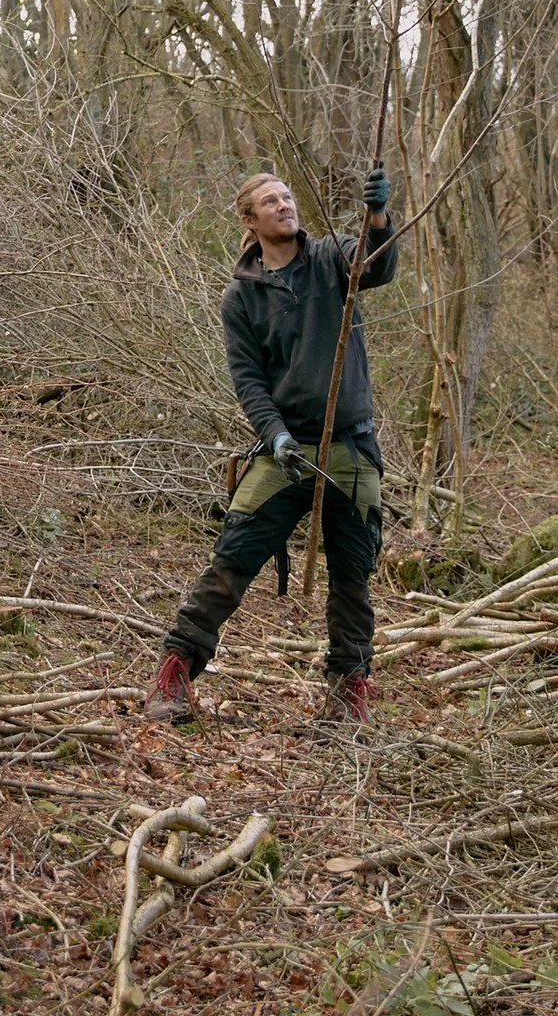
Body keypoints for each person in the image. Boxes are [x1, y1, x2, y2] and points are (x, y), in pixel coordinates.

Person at [145, 165, 396, 724]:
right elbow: (249, 382)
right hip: (285, 453)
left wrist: (379, 217)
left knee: (354, 578)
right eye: (271, 200)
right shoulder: (242, 298)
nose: (285, 205)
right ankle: (175, 672)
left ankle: (347, 692)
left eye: (287, 196)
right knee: (231, 561)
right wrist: (275, 435)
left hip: (352, 450)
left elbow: (378, 267)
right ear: (249, 219)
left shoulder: (334, 258)